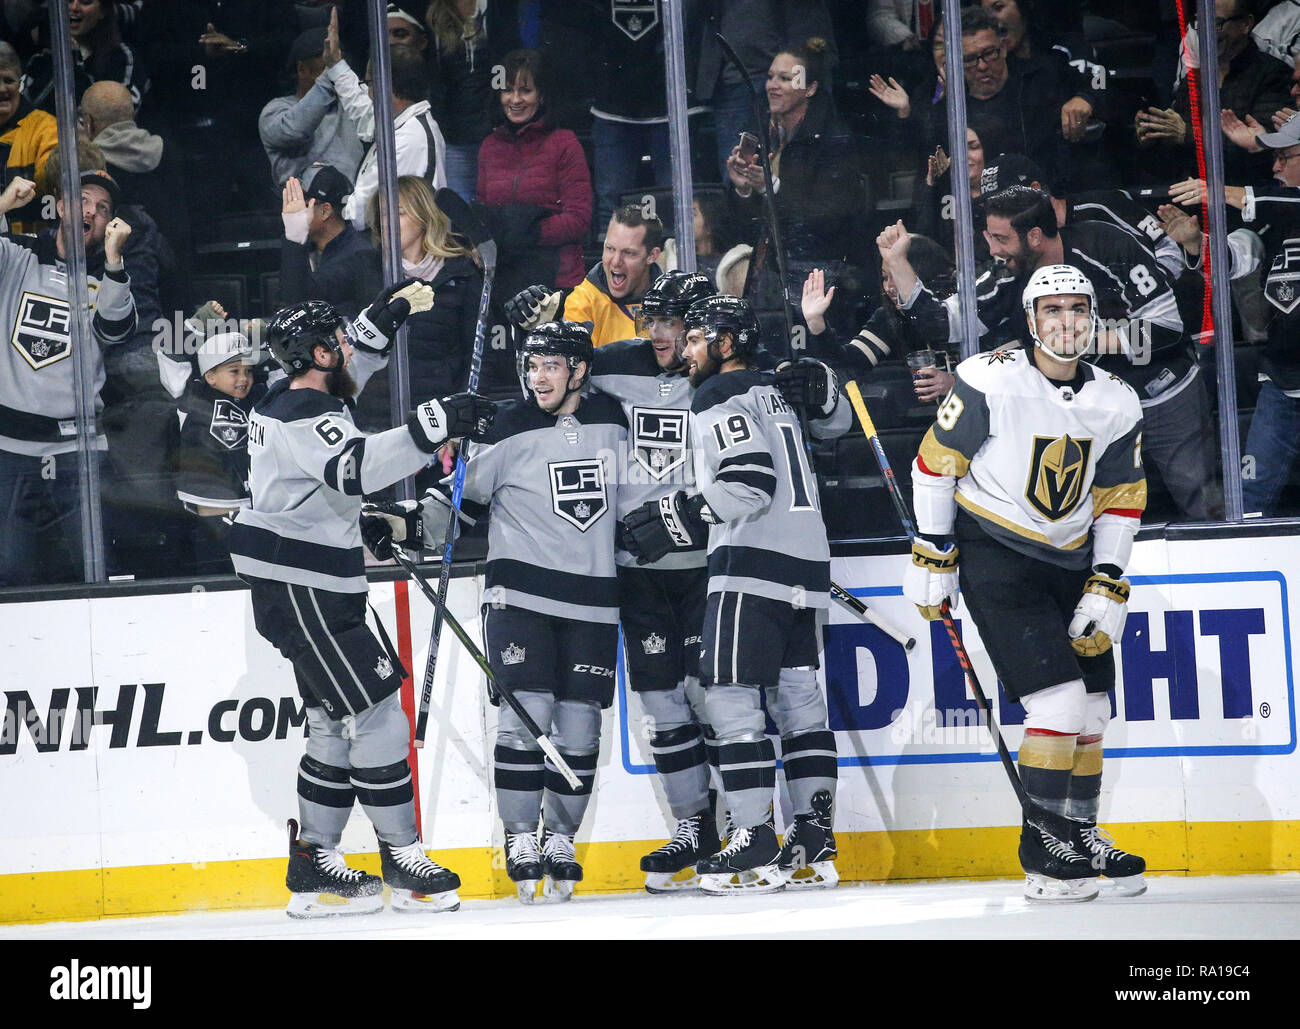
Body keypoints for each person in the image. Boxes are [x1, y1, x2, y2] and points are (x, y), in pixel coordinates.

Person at [226, 282, 495, 918]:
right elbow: (352, 467)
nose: (350, 348)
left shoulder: (292, 394)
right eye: (339, 342)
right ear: (319, 355)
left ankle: (314, 865)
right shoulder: (302, 415)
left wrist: (387, 312)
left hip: (302, 580)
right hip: (306, 586)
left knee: (329, 722)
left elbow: (353, 371)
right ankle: (402, 857)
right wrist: (435, 424)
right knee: (378, 715)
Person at [903, 264, 1148, 902]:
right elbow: (934, 465)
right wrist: (934, 551)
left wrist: (1108, 579)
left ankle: (1078, 833)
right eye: (1052, 310)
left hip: (1071, 561)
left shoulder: (1117, 399)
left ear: (1092, 316)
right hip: (998, 552)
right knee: (1060, 703)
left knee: (1094, 709)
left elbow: (1121, 497)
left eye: (1077, 309)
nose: (1066, 322)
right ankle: (1042, 851)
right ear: (1031, 320)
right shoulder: (989, 379)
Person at [367, 320, 629, 904]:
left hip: (594, 597)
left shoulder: (614, 421)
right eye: (532, 366)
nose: (538, 377)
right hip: (519, 596)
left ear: (579, 370)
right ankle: (519, 836)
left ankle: (560, 837)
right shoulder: (505, 426)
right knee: (524, 718)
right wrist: (399, 524)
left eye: (552, 366)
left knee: (582, 726)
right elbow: (455, 504)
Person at [620, 295, 849, 894]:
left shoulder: (717, 394)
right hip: (808, 560)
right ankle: (813, 834)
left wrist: (677, 515)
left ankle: (753, 835)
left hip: (751, 561)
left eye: (697, 339)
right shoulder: (772, 389)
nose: (687, 350)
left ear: (725, 345)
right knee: (799, 697)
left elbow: (748, 482)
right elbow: (836, 425)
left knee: (727, 698)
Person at [882, 185, 1211, 521]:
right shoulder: (1007, 270)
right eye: (989, 238)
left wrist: (1086, 341)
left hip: (1162, 397)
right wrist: (897, 263)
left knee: (1201, 503)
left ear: (1035, 236)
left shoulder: (1106, 243)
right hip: (1088, 411)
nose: (993, 249)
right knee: (1099, 520)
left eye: (1001, 238)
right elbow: (944, 324)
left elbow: (1168, 327)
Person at [587, 270, 720, 892]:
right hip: (639, 573)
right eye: (653, 321)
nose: (658, 334)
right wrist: (531, 332)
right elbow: (555, 374)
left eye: (672, 322)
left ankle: (750, 821)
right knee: (662, 703)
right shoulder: (617, 364)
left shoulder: (727, 376)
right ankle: (697, 826)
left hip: (707, 568)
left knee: (717, 699)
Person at [0, 170, 135, 587]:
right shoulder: (18, 255)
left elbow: (116, 330)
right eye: (83, 201)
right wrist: (3, 205)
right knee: (12, 571)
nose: (91, 211)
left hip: (79, 451)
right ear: (61, 207)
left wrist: (115, 262)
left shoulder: (106, 276)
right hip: (10, 449)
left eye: (103, 208)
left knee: (95, 571)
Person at [1163, 117, 1300, 517]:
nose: (1274, 168)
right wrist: (1196, 245)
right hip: (1282, 381)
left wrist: (1219, 190)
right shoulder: (1274, 215)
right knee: (1249, 503)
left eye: (1283, 157)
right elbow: (1236, 259)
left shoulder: (1279, 203)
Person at [725, 37, 865, 340]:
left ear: (810, 88)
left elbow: (825, 219)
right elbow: (749, 222)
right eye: (772, 76)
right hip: (774, 275)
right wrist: (744, 189)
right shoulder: (765, 132)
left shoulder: (834, 139)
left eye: (786, 78)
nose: (773, 85)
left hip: (821, 277)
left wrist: (770, 187)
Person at [355, 175, 481, 445]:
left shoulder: (462, 272)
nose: (387, 222)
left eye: (399, 213)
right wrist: (295, 238)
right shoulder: (367, 268)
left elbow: (475, 353)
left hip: (438, 421)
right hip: (377, 420)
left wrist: (460, 418)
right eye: (383, 214)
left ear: (424, 216)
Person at [315, 12, 447, 231]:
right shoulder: (400, 122)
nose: (367, 92)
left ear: (384, 87)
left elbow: (363, 213)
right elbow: (364, 111)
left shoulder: (410, 139)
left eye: (368, 84)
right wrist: (336, 64)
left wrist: (336, 209)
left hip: (404, 255)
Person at [475, 48, 592, 293]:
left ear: (541, 96)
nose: (515, 100)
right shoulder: (489, 146)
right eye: (508, 90)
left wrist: (528, 233)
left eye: (525, 90)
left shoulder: (565, 143)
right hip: (504, 280)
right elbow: (484, 214)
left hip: (558, 282)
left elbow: (578, 220)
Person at [504, 203, 664, 348]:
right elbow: (570, 368)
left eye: (628, 253)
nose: (615, 262)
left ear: (652, 255)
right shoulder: (582, 302)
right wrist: (539, 331)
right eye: (610, 249)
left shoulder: (672, 302)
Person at [173, 329, 265, 574]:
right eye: (234, 371)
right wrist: (192, 327)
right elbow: (171, 361)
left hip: (251, 511)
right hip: (210, 518)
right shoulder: (195, 396)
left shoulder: (258, 399)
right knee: (217, 580)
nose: (243, 378)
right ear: (210, 376)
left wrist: (267, 339)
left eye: (248, 371)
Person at [257, 25, 364, 189]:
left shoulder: (351, 105)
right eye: (326, 68)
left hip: (355, 206)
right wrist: (331, 76)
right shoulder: (275, 110)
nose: (336, 74)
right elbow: (294, 131)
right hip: (304, 208)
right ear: (301, 69)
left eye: (340, 67)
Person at [279, 164, 382, 321]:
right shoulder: (311, 248)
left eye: (301, 205)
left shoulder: (359, 255)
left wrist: (294, 239)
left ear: (325, 211)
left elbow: (301, 304)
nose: (290, 212)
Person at [21, 0, 150, 114]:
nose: (74, 7)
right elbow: (24, 111)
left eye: (86, 2)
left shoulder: (123, 58)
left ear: (103, 11)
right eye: (69, 1)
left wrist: (75, 68)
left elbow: (116, 117)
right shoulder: (41, 59)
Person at [0, 41, 56, 234]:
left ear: (20, 83)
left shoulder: (46, 128)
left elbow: (52, 194)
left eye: (8, 80)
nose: (2, 89)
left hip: (29, 245)